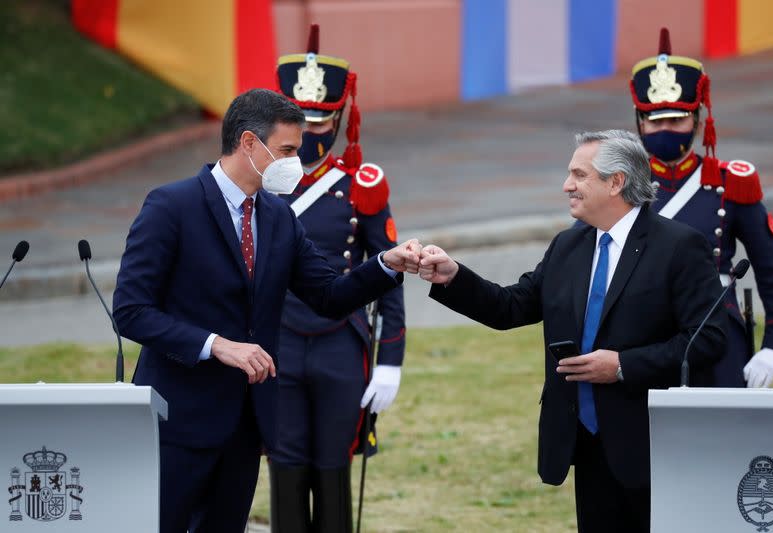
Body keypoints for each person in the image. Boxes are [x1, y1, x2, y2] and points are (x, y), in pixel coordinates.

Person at [112, 88, 421, 533]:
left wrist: (386, 264)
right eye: (287, 150)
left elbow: (328, 295)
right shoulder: (171, 206)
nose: (296, 161)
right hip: (177, 422)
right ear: (249, 144)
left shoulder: (277, 216)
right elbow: (132, 310)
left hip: (244, 425)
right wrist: (215, 345)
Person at [418, 130, 726, 533]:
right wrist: (453, 276)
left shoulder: (679, 246)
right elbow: (511, 306)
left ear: (616, 182)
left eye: (579, 175)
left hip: (653, 445)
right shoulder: (568, 246)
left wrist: (622, 365)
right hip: (586, 440)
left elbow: (708, 338)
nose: (567, 186)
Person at [266, 25, 406, 533]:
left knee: (333, 464)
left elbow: (389, 272)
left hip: (340, 344)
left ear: (339, 116)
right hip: (275, 340)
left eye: (321, 120)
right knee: (283, 461)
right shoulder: (258, 184)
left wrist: (390, 360)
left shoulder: (361, 186)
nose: (310, 131)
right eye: (299, 119)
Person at [629, 27, 773, 387]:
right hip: (641, 337)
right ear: (640, 124)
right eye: (655, 121)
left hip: (717, 331)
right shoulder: (623, 186)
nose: (666, 129)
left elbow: (772, 268)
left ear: (698, 120)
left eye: (677, 119)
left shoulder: (729, 182)